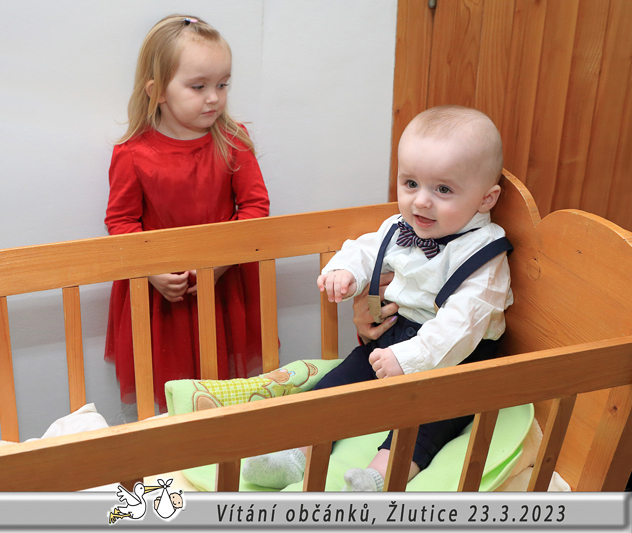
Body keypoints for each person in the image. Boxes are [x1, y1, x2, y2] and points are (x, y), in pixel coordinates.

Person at [242, 105, 513, 491]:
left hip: (455, 358)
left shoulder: (485, 254)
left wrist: (409, 358)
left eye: (443, 190)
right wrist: (346, 273)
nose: (421, 202)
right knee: (336, 386)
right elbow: (366, 249)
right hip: (391, 337)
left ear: (486, 199)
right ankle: (292, 456)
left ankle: (378, 479)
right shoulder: (401, 227)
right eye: (411, 183)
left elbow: (462, 324)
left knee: (427, 420)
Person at [104, 15, 270, 412]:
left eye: (222, 85)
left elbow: (256, 208)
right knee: (168, 397)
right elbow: (121, 222)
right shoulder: (132, 153)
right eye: (198, 87)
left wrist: (220, 262)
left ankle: (225, 447)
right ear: (157, 91)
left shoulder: (233, 140)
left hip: (223, 287)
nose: (213, 98)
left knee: (224, 391)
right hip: (163, 298)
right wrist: (152, 270)